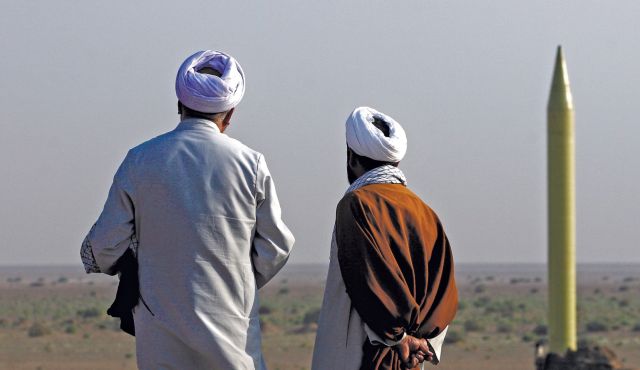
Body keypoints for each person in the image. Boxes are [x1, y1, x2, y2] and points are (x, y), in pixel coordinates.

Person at [80, 50, 295, 370]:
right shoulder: (251, 164)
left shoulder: (140, 160)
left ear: (180, 104)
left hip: (159, 330)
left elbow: (104, 245)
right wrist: (235, 279)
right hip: (231, 328)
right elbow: (276, 247)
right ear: (230, 112)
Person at [312, 107, 458, 370]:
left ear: (351, 157)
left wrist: (397, 337)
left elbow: (368, 276)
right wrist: (423, 340)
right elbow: (443, 287)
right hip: (411, 358)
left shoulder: (356, 204)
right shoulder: (425, 212)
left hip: (357, 353)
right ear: (396, 162)